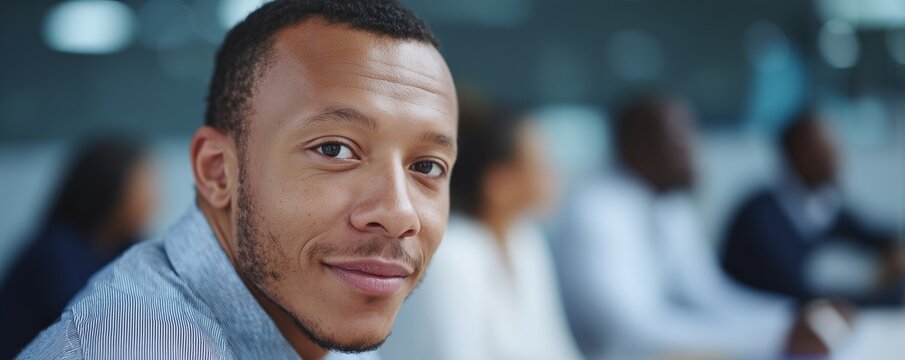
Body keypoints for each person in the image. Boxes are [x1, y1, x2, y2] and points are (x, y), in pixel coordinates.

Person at [19, 1, 458, 359]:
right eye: (334, 149)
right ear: (217, 172)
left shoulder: (320, 311)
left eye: (426, 167)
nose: (401, 214)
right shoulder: (130, 347)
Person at [552, 95, 799, 359]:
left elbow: (708, 295)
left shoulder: (670, 204)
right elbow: (632, 332)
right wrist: (777, 336)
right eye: (678, 137)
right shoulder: (595, 211)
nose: (692, 149)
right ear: (634, 147)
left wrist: (790, 317)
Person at [380, 102, 582, 360]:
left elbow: (556, 349)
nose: (555, 175)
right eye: (540, 165)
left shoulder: (525, 239)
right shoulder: (451, 256)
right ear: (497, 183)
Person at [720, 111, 904, 306]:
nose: (836, 157)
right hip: (745, 317)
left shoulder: (822, 206)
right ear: (794, 155)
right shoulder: (759, 217)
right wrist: (886, 296)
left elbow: (874, 234)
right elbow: (795, 293)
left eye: (835, 147)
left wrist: (896, 249)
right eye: (823, 149)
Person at [0, 139, 156, 359]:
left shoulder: (126, 247)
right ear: (110, 189)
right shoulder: (54, 257)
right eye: (144, 186)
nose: (154, 198)